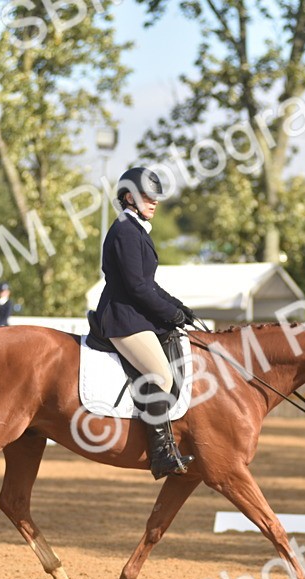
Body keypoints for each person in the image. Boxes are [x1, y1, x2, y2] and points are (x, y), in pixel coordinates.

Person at [95, 166, 197, 479]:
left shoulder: (135, 228)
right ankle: (161, 453)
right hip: (121, 318)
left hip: (134, 315)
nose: (154, 202)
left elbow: (148, 283)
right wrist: (169, 314)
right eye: (148, 197)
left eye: (155, 198)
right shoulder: (125, 230)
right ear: (129, 197)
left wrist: (178, 306)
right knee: (162, 376)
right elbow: (137, 288)